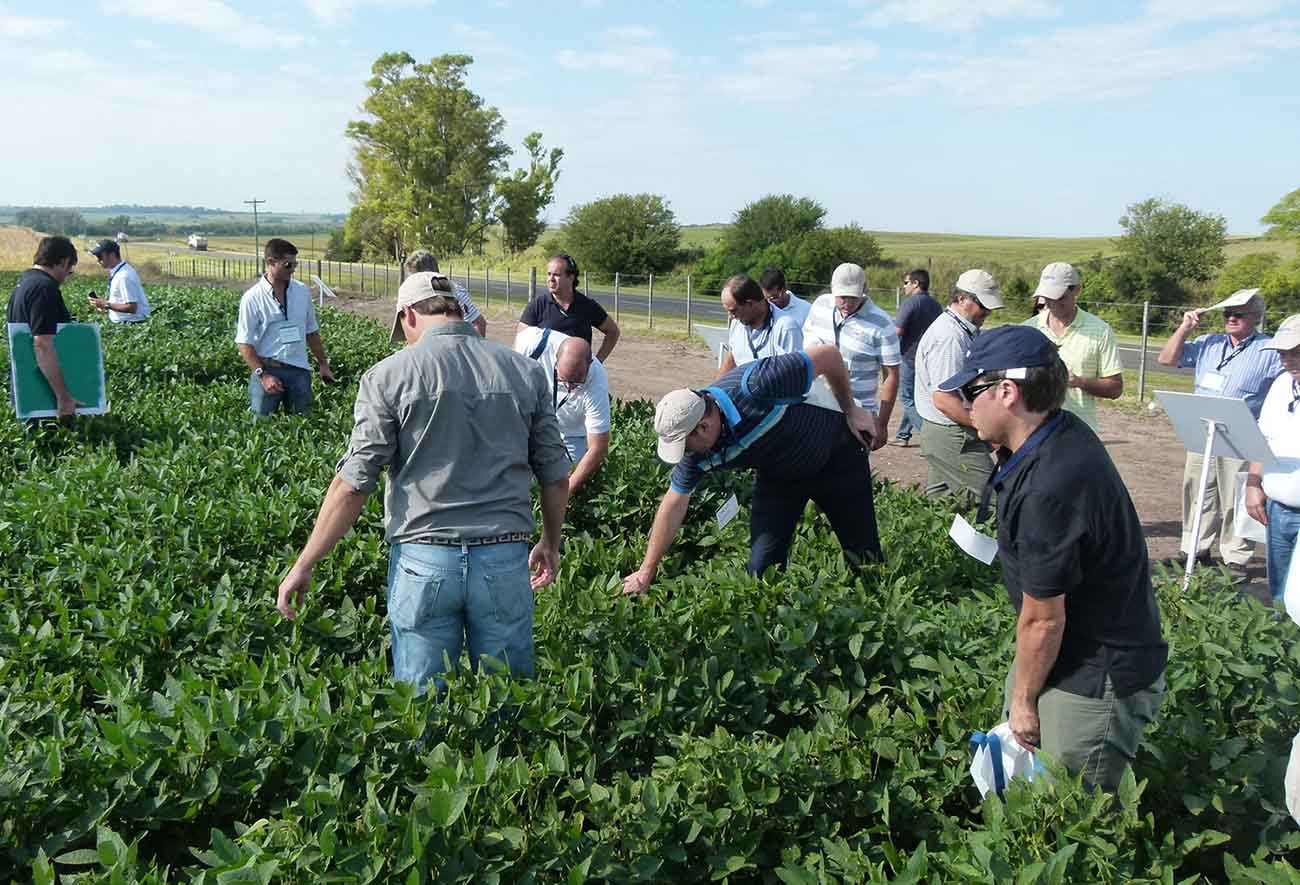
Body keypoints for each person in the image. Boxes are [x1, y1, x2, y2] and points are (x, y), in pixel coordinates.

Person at [277, 271, 571, 692]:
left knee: (421, 705)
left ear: (407, 315)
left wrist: (304, 563)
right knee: (510, 700)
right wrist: (550, 541)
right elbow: (555, 475)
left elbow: (353, 485)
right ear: (458, 311)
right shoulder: (524, 372)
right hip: (504, 557)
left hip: (424, 559)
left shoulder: (387, 376)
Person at [938, 324, 1167, 793]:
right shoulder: (1057, 432)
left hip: (1093, 672)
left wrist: (1023, 701)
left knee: (1070, 817)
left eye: (970, 389)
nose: (964, 402)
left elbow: (1043, 621)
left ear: (1007, 392)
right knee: (1035, 799)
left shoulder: (1049, 486)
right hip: (1070, 655)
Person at [621, 346, 880, 596]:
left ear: (702, 427)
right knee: (762, 571)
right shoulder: (697, 451)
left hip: (836, 459)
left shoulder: (760, 383)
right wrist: (646, 570)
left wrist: (851, 410)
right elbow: (674, 503)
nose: (685, 454)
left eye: (685, 445)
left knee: (865, 559)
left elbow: (829, 356)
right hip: (780, 478)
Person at [1157, 288, 1283, 577]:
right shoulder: (1208, 343)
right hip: (1202, 429)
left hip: (1241, 432)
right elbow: (1167, 359)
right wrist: (1185, 327)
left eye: (1239, 314)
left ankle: (1235, 556)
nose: (1231, 318)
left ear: (1257, 317)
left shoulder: (1268, 349)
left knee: (1235, 494)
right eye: (1228, 313)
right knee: (1198, 489)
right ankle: (1194, 548)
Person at [914, 269, 1003, 498]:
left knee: (942, 504)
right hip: (951, 432)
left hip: (947, 430)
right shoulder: (950, 337)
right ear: (961, 298)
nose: (988, 311)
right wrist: (987, 428)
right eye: (982, 304)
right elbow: (944, 399)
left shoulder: (961, 330)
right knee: (993, 502)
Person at [801, 263, 900, 450]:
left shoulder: (882, 323)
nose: (846, 303)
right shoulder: (820, 306)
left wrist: (882, 424)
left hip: (859, 412)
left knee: (850, 472)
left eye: (853, 297)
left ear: (864, 290)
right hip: (819, 406)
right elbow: (808, 343)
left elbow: (891, 375)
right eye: (841, 297)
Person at [235, 239, 334, 417]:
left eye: (295, 264)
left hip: (299, 370)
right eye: (288, 265)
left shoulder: (302, 291)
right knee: (262, 426)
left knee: (303, 424)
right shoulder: (252, 298)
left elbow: (311, 331)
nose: (293, 269)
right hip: (268, 370)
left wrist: (323, 363)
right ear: (270, 262)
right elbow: (244, 343)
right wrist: (263, 375)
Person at [1022, 262, 1122, 431]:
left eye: (1059, 296)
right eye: (1047, 296)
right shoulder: (1027, 329)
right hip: (1031, 430)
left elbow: (1115, 388)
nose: (1052, 303)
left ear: (1077, 290)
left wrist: (1079, 381)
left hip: (1079, 432)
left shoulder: (1100, 331)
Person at [515, 325, 612, 494]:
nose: (569, 387)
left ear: (590, 365)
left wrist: (565, 492)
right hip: (535, 422)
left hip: (572, 433)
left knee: (567, 476)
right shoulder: (532, 344)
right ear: (555, 360)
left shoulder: (597, 381)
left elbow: (599, 447)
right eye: (564, 380)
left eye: (577, 383)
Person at [1244, 314, 1300, 602]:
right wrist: (1254, 484)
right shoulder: (1281, 386)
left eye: (1296, 353)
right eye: (1282, 353)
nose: (1287, 361)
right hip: (1277, 508)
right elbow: (1263, 439)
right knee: (1279, 593)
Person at [6, 235, 80, 418]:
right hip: (43, 393)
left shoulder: (23, 284)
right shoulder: (44, 289)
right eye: (69, 270)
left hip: (27, 383)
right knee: (51, 443)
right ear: (63, 262)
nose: (66, 277)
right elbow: (43, 344)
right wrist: (63, 396)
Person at [518, 253, 620, 363]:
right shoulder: (538, 305)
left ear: (571, 277)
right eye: (549, 274)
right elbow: (521, 340)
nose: (551, 279)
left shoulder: (587, 306)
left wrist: (597, 362)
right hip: (544, 375)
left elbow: (613, 331)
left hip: (577, 377)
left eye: (556, 275)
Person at [891, 268, 942, 447]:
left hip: (910, 357)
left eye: (906, 283)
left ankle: (930, 439)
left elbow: (896, 331)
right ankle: (903, 435)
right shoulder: (936, 305)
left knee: (907, 399)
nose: (904, 287)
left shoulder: (910, 303)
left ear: (915, 284)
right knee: (917, 398)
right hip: (930, 359)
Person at [717, 274, 803, 375]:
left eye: (733, 311)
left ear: (750, 304)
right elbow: (731, 359)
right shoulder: (737, 323)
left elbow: (794, 375)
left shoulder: (786, 327)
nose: (731, 316)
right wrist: (711, 390)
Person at [403, 250, 485, 336]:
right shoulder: (415, 295)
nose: (411, 283)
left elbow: (479, 323)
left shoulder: (455, 293)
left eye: (413, 278)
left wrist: (473, 347)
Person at [87, 240, 151, 324]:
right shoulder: (118, 271)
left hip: (131, 324)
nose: (98, 260)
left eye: (100, 256)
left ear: (112, 255)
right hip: (125, 323)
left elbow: (132, 307)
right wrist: (104, 306)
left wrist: (106, 304)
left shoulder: (124, 276)